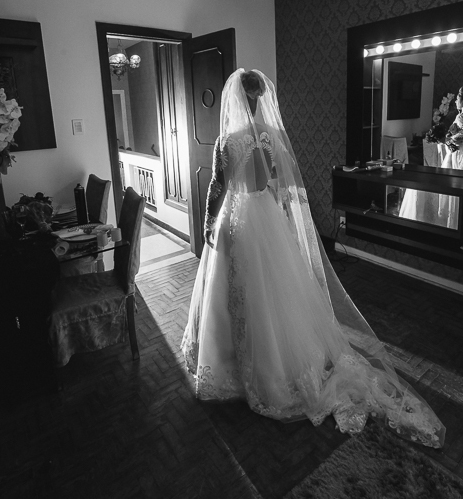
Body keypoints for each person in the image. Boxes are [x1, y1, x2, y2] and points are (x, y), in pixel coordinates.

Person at [181, 68, 445, 447]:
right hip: (265, 216)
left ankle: (233, 365)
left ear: (234, 98)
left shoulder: (225, 141)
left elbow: (218, 187)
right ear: (257, 99)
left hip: (237, 222)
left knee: (233, 294)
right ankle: (280, 360)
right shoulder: (270, 135)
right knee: (272, 293)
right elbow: (272, 179)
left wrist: (208, 219)